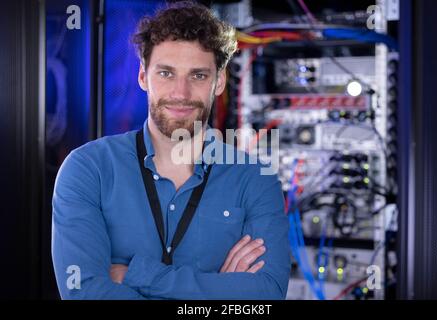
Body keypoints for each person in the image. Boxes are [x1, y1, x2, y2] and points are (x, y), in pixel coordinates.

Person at [52, 1, 290, 300]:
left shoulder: (256, 179)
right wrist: (219, 294)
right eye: (166, 73)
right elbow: (84, 292)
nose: (181, 93)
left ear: (219, 82)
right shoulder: (88, 169)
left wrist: (136, 275)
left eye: (198, 75)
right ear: (142, 77)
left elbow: (265, 295)